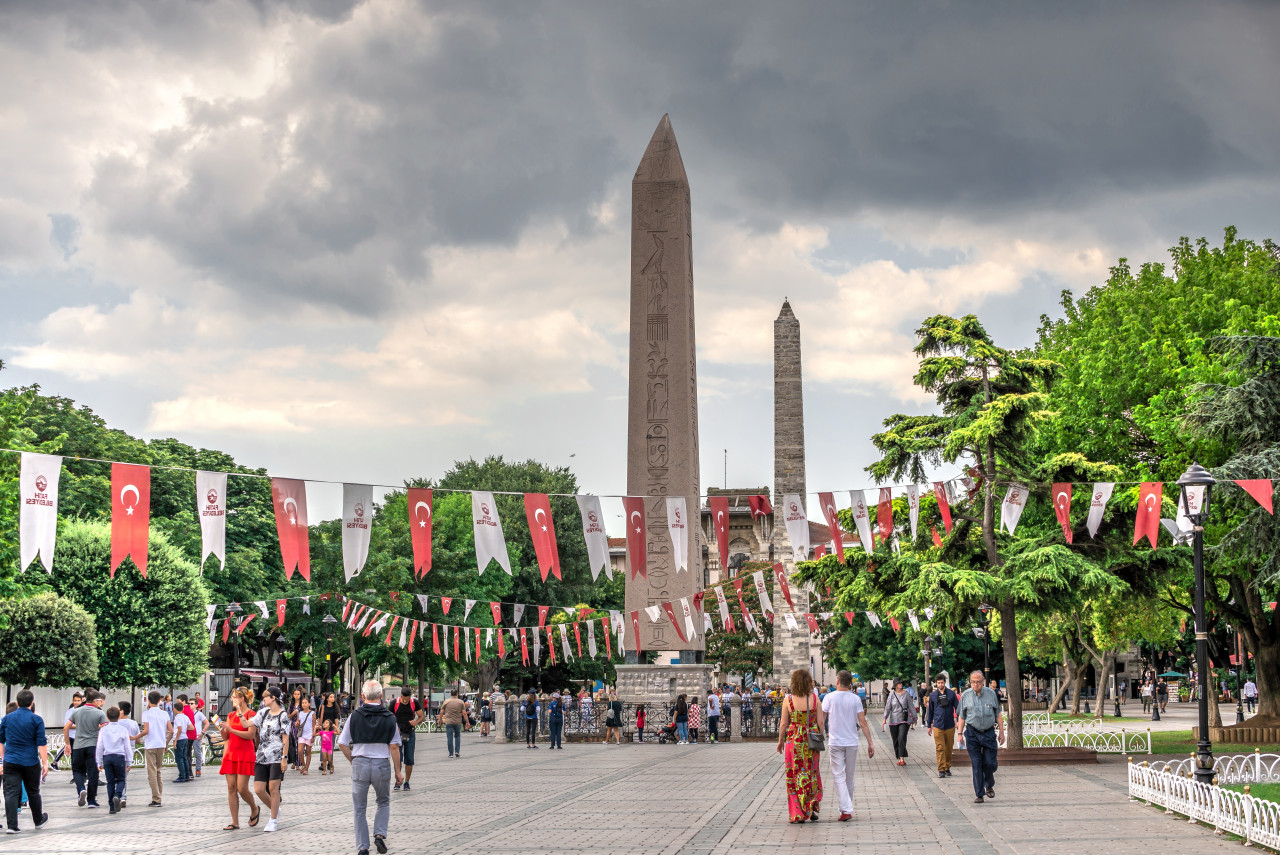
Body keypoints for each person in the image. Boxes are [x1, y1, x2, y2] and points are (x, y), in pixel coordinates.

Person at [338, 680, 403, 855]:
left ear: (363, 696)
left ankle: (363, 847)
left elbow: (342, 743)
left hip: (360, 763)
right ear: (381, 696)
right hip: (381, 763)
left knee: (359, 807)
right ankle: (380, 835)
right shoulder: (390, 717)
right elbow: (394, 747)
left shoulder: (355, 716)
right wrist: (398, 771)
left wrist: (353, 760)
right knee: (383, 801)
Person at [822, 670, 875, 822]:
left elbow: (822, 719)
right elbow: (863, 722)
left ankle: (846, 809)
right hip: (852, 741)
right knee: (849, 777)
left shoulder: (829, 697)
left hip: (836, 741)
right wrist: (870, 743)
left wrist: (820, 733)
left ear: (837, 682)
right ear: (850, 683)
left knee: (838, 775)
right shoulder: (856, 699)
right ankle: (846, 807)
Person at [776, 669, 825, 824]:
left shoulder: (788, 700)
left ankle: (797, 812)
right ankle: (811, 808)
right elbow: (821, 722)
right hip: (811, 741)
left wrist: (780, 741)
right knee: (811, 774)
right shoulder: (815, 699)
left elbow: (784, 723)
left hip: (794, 740)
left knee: (794, 775)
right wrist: (819, 735)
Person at [0, 690, 49, 834]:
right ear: (32, 703)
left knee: (10, 793)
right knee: (33, 791)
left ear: (17, 701)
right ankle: (38, 820)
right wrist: (45, 763)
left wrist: (3, 759)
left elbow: (1, 741)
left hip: (11, 761)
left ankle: (12, 826)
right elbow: (41, 743)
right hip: (30, 761)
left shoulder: (7, 719)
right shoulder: (36, 719)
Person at [957, 669, 1005, 804]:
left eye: (978, 682)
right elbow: (961, 716)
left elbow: (998, 714)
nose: (975, 684)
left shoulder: (991, 694)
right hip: (972, 732)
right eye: (973, 682)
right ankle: (979, 793)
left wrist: (1001, 732)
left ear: (983, 682)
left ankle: (989, 784)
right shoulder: (966, 695)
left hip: (988, 732)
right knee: (977, 763)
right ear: (970, 682)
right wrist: (960, 734)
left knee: (990, 764)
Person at [248, 686, 290, 833]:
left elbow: (286, 739)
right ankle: (275, 809)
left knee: (273, 788)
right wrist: (240, 711)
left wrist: (284, 758)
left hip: (277, 756)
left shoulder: (283, 715)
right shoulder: (263, 712)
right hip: (261, 756)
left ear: (273, 698)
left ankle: (273, 820)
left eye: (266, 696)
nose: (263, 699)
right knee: (259, 789)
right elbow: (247, 724)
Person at [218, 687, 259, 830]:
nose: (231, 699)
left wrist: (231, 729)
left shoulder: (251, 714)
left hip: (245, 754)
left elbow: (250, 735)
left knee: (242, 788)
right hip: (231, 754)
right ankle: (234, 821)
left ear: (241, 699)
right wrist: (223, 728)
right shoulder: (230, 715)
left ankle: (254, 808)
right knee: (231, 788)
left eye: (234, 697)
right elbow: (226, 737)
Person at [67, 689, 107, 808]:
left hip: (78, 745)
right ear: (95, 701)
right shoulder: (100, 713)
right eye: (99, 700)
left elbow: (66, 727)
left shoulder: (77, 711)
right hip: (93, 746)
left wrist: (67, 744)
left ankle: (81, 789)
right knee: (93, 772)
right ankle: (91, 800)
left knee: (78, 770)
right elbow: (105, 729)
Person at [94, 706, 133, 814]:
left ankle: (111, 806)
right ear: (119, 716)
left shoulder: (103, 729)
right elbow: (127, 746)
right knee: (121, 779)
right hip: (119, 756)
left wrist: (99, 761)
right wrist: (129, 761)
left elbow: (100, 746)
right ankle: (117, 795)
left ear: (107, 717)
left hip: (107, 757)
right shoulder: (123, 729)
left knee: (110, 782)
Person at [139, 691, 172, 808]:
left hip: (151, 744)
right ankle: (159, 796)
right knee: (158, 771)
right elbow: (171, 731)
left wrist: (135, 737)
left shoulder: (146, 714)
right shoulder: (164, 714)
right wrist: (167, 742)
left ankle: (156, 798)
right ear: (159, 701)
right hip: (161, 744)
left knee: (151, 772)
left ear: (148, 700)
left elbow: (146, 730)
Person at [927, 675, 959, 778]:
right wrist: (929, 725)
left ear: (945, 682)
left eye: (942, 682)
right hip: (938, 725)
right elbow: (930, 711)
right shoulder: (933, 695)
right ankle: (941, 769)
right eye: (938, 683)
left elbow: (958, 708)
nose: (940, 684)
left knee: (948, 748)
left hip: (950, 725)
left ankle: (947, 767)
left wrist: (958, 721)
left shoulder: (951, 694)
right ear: (936, 683)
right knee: (940, 747)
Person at [391, 688, 422, 789]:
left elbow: (421, 716)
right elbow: (388, 718)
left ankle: (407, 782)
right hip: (397, 734)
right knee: (397, 758)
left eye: (407, 699)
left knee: (409, 759)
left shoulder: (414, 702)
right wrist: (395, 726)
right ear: (401, 696)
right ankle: (398, 781)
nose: (405, 701)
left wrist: (416, 722)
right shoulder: (393, 703)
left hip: (410, 733)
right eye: (404, 699)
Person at [881, 679, 916, 766]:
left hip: (904, 719)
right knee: (895, 739)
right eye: (899, 683)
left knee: (901, 737)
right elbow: (888, 707)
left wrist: (915, 717)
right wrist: (885, 718)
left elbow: (911, 706)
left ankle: (902, 758)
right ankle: (899, 756)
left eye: (901, 683)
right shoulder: (891, 695)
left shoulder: (906, 694)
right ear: (895, 685)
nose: (901, 684)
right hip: (893, 720)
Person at [115, 701, 140, 806]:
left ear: (121, 711)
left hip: (118, 751)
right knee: (124, 775)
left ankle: (120, 795)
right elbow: (138, 740)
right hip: (130, 750)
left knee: (117, 776)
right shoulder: (133, 723)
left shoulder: (116, 723)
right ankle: (122, 797)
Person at [53, 692, 82, 773]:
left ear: (81, 701)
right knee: (74, 757)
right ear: (72, 701)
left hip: (81, 737)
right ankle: (75, 774)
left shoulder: (83, 711)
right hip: (73, 736)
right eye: (75, 700)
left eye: (78, 700)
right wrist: (78, 726)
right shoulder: (70, 711)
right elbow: (67, 725)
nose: (76, 702)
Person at [440, 688, 469, 759]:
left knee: (449, 737)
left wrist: (440, 720)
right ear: (457, 694)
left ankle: (450, 753)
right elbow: (464, 713)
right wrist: (467, 722)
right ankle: (457, 751)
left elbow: (441, 711)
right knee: (457, 736)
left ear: (450, 694)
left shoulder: (446, 701)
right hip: (457, 722)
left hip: (448, 721)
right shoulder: (461, 702)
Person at [171, 701, 193, 784]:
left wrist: (175, 740)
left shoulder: (177, 718)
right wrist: (185, 729)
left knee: (179, 758)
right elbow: (191, 727)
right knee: (184, 757)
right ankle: (187, 774)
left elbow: (179, 729)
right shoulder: (185, 717)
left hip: (180, 739)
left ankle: (182, 775)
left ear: (175, 709)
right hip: (185, 738)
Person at [296, 697, 315, 775]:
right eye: (303, 703)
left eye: (305, 703)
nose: (304, 704)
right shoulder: (299, 713)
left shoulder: (312, 713)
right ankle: (303, 764)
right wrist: (296, 724)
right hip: (302, 734)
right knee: (300, 751)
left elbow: (314, 726)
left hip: (309, 734)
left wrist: (313, 736)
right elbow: (298, 723)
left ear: (309, 704)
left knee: (308, 751)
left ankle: (306, 768)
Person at [191, 701, 209, 779]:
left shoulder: (199, 714)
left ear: (195, 705)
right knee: (187, 753)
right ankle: (189, 770)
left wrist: (202, 732)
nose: (190, 705)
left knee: (197, 752)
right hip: (189, 735)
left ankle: (198, 769)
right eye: (189, 703)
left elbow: (207, 723)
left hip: (197, 735)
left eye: (192, 703)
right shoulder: (187, 713)